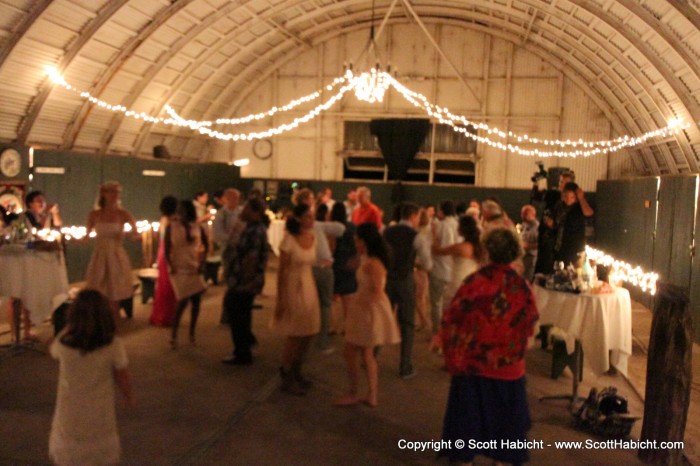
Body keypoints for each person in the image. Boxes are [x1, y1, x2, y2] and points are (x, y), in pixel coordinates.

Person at [440, 228, 539, 466]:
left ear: (486, 251)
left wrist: (451, 354)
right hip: (508, 373)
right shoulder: (521, 286)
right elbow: (530, 323)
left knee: (465, 438)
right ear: (515, 252)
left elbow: (453, 318)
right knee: (505, 443)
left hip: (471, 370)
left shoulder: (474, 282)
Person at [49, 289, 134, 466]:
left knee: (69, 449)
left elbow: (53, 352)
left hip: (70, 408)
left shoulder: (64, 342)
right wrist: (128, 395)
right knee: (99, 451)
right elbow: (122, 375)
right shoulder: (112, 344)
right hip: (99, 408)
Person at [335, 222, 400, 408]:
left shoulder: (374, 263)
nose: (356, 243)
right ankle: (370, 394)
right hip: (364, 309)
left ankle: (355, 392)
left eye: (358, 240)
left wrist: (360, 303)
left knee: (352, 352)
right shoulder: (368, 259)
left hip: (368, 312)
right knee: (366, 353)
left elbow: (378, 290)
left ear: (365, 241)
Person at [272, 203, 320, 395]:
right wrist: (280, 299)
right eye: (308, 217)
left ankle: (298, 370)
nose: (312, 220)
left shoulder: (312, 237)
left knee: (309, 331)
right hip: (293, 285)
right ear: (299, 218)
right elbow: (281, 271)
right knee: (295, 332)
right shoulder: (289, 239)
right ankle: (286, 375)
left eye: (312, 216)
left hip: (308, 283)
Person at [383, 202, 432, 379]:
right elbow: (427, 263)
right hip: (405, 280)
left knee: (382, 318)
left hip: (387, 280)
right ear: (413, 216)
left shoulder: (387, 231)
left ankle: (370, 357)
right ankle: (405, 366)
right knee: (407, 324)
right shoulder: (416, 236)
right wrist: (416, 263)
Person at [294, 188, 345, 353]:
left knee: (307, 304)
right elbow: (340, 229)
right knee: (324, 305)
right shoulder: (316, 225)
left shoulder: (294, 227)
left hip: (305, 269)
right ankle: (321, 342)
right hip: (321, 268)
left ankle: (303, 339)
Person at [221, 198, 270, 365]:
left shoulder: (255, 230)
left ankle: (242, 352)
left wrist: (245, 281)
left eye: (246, 208)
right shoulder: (250, 227)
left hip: (243, 280)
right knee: (241, 313)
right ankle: (246, 344)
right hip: (241, 278)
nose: (243, 210)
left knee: (237, 313)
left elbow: (252, 258)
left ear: (254, 211)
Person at [85, 181, 138, 320]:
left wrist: (136, 236)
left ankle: (115, 319)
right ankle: (100, 319)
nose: (116, 195)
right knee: (99, 288)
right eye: (112, 192)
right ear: (104, 194)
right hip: (100, 255)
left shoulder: (124, 214)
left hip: (116, 254)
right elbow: (85, 237)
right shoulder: (94, 215)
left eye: (118, 192)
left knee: (116, 289)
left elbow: (135, 234)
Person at [166, 200, 208, 349]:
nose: (180, 213)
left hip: (193, 266)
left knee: (196, 301)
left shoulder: (197, 227)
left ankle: (192, 333)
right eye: (179, 210)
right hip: (179, 268)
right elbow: (166, 248)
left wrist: (202, 263)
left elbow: (206, 245)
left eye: (183, 210)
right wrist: (170, 265)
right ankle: (174, 335)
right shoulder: (171, 227)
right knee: (182, 301)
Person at [432, 215, 482, 308]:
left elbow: (437, 251)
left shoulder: (460, 247)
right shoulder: (478, 247)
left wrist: (434, 234)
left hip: (458, 280)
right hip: (473, 280)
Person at [428, 200, 459, 351]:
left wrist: (433, 237)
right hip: (454, 270)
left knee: (437, 304)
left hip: (441, 268)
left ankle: (438, 335)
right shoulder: (458, 224)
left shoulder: (444, 225)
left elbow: (442, 248)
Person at [149, 195, 178, 327]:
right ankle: (166, 316)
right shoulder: (172, 221)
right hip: (169, 253)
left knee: (163, 285)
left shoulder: (163, 219)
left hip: (162, 253)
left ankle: (160, 315)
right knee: (169, 286)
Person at [330, 202, 358, 335]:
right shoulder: (352, 227)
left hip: (335, 264)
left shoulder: (330, 228)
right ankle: (347, 327)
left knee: (333, 298)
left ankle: (333, 325)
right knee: (348, 299)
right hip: (348, 264)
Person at [554, 182, 587, 266]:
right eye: (566, 197)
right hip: (561, 246)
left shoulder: (579, 208)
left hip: (575, 248)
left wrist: (581, 198)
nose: (568, 199)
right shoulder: (560, 207)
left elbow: (589, 213)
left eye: (571, 197)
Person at [414, 207, 432, 332]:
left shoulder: (419, 233)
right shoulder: (429, 230)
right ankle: (423, 321)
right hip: (425, 266)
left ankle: (425, 321)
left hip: (419, 266)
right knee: (422, 297)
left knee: (418, 297)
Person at [519, 204, 539, 282]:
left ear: (533, 215)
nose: (523, 216)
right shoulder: (524, 225)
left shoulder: (537, 228)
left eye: (526, 214)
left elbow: (540, 245)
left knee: (527, 281)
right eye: (522, 214)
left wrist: (528, 246)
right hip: (522, 256)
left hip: (531, 257)